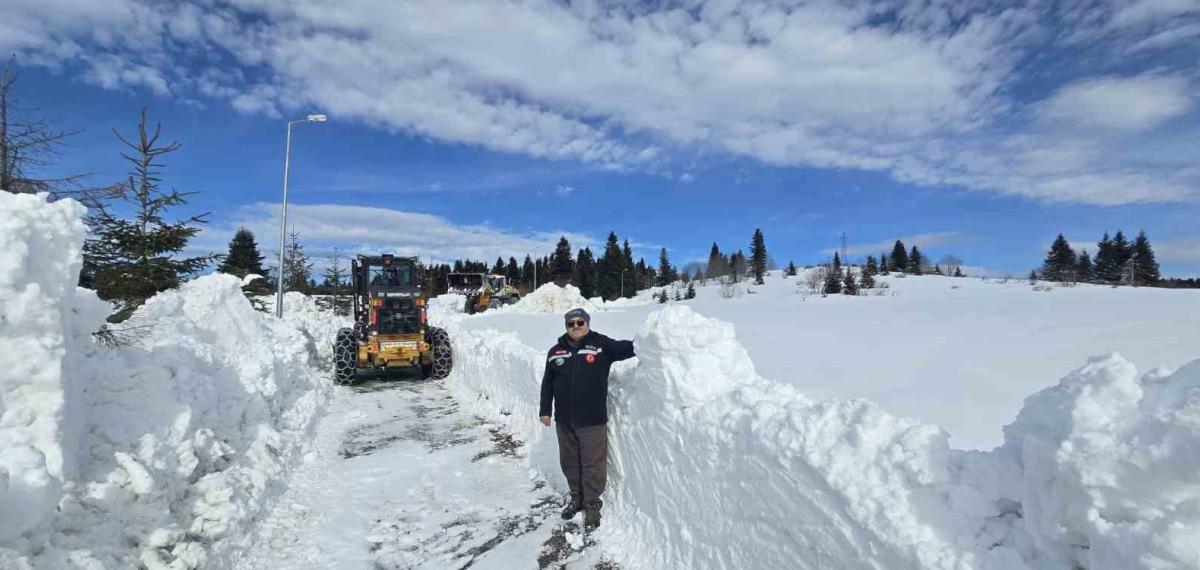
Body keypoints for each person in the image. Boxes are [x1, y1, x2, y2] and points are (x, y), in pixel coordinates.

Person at [539, 308, 635, 531]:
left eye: (580, 322)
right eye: (570, 323)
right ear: (566, 326)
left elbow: (629, 348)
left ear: (587, 323)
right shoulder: (555, 351)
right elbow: (547, 384)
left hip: (592, 420)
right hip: (564, 419)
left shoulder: (601, 345)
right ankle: (576, 498)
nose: (575, 327)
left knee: (593, 464)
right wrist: (545, 410)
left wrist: (651, 339)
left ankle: (592, 504)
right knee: (570, 462)